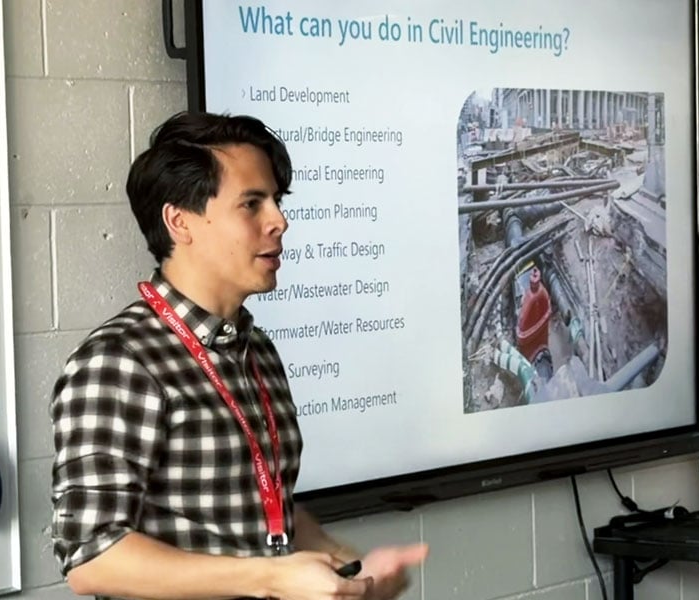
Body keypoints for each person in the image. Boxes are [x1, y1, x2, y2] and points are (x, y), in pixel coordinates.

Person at [50, 111, 427, 600]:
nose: (279, 220)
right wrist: (270, 576)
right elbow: (93, 558)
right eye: (252, 204)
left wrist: (351, 573)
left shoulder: (255, 349)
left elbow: (262, 510)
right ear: (179, 221)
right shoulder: (121, 362)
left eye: (276, 200)